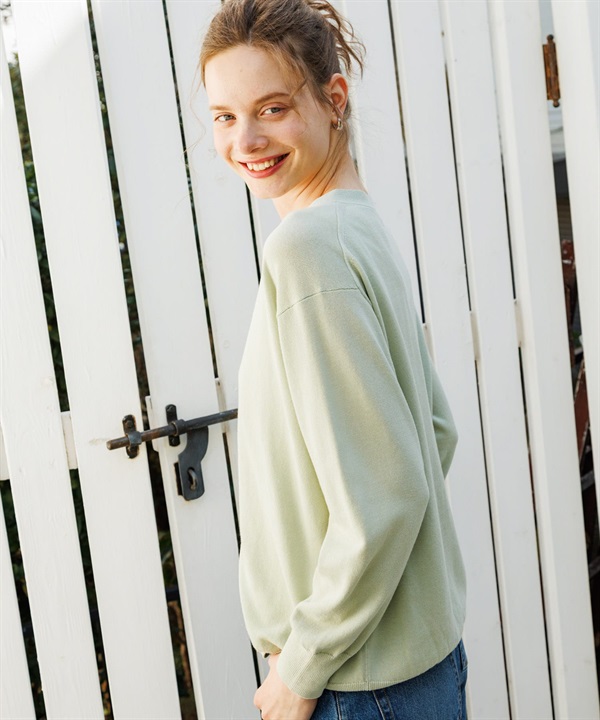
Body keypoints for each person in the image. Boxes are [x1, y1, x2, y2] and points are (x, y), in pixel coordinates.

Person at [199, 1, 468, 718]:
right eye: (225, 116)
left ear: (334, 99)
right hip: (411, 669)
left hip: (358, 683)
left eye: (273, 108)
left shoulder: (307, 249)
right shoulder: (356, 223)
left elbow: (389, 492)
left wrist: (302, 668)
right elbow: (435, 431)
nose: (246, 140)